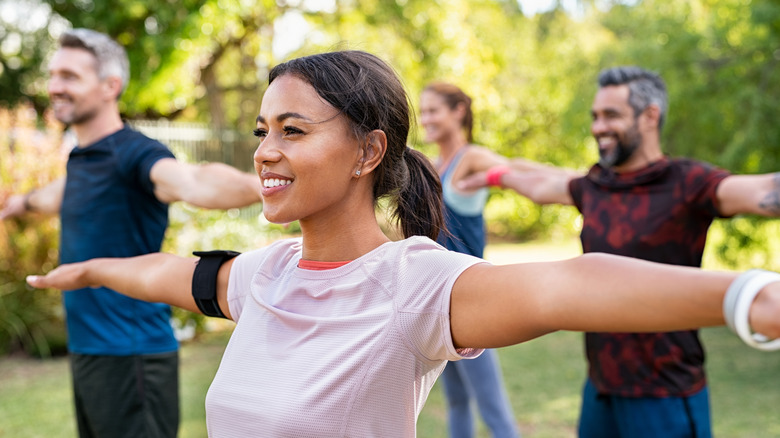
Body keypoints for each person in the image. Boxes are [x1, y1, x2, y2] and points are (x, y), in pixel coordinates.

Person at [24, 52, 780, 438]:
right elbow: (171, 274)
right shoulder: (264, 275)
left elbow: (568, 285)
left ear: (366, 153)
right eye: (261, 131)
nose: (265, 151)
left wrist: (746, 294)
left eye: (293, 130)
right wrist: (93, 267)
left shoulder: (412, 285)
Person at [459, 66, 780, 438]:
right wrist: (492, 176)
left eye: (611, 115)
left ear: (650, 116)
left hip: (665, 394)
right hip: (601, 391)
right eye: (595, 116)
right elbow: (540, 183)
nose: (598, 127)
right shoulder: (595, 184)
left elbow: (760, 190)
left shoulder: (687, 183)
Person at [0, 29, 262, 438]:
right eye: (52, 75)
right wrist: (17, 204)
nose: (54, 86)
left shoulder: (135, 154)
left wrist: (266, 186)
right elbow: (56, 195)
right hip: (91, 352)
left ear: (110, 86)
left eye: (69, 76)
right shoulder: (83, 159)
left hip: (133, 355)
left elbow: (192, 181)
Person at [420, 82, 519, 438]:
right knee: (457, 402)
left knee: (491, 407)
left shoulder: (471, 158)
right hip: (436, 301)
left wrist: (491, 178)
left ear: (458, 111)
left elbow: (512, 171)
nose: (425, 118)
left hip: (471, 300)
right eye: (423, 110)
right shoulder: (432, 165)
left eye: (433, 110)